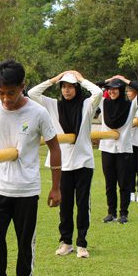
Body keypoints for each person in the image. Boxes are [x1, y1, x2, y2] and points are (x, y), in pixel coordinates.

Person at [0, 60, 61, 276]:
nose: (5, 99)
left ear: (23, 86)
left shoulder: (38, 113)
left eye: (11, 93)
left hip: (26, 188)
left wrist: (56, 187)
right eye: (0, 93)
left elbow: (55, 148)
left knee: (24, 240)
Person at [28, 70, 101, 258]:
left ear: (77, 88)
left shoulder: (87, 105)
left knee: (83, 204)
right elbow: (32, 93)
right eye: (64, 87)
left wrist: (81, 79)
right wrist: (54, 79)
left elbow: (98, 92)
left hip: (84, 162)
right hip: (63, 164)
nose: (67, 90)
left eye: (71, 87)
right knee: (65, 205)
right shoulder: (53, 105)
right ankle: (66, 242)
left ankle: (82, 244)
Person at [98, 76, 138, 224]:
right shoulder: (103, 103)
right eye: (109, 89)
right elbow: (92, 89)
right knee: (109, 184)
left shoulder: (130, 105)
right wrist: (109, 80)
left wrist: (124, 80)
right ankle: (111, 212)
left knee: (124, 184)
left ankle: (123, 213)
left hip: (124, 150)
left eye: (115, 89)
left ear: (121, 90)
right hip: (107, 149)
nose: (112, 92)